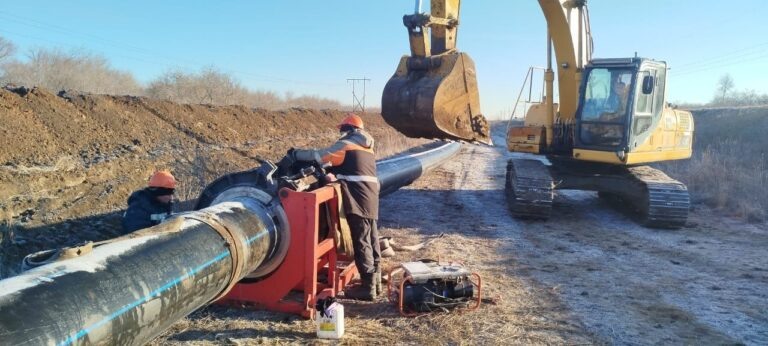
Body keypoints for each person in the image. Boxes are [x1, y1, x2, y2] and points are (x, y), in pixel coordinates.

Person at [292, 113, 381, 301]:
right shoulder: (367, 148)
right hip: (370, 198)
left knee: (361, 241)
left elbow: (320, 156)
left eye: (342, 129)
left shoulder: (347, 145)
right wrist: (334, 175)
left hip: (358, 198)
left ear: (348, 129)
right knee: (371, 238)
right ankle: (376, 282)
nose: (341, 133)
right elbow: (350, 169)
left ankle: (368, 288)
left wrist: (295, 154)